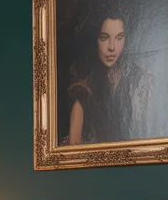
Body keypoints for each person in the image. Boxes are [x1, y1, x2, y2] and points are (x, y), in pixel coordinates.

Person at [66, 10, 154, 145]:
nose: (112, 47)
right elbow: (73, 149)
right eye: (104, 37)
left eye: (119, 37)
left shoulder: (142, 81)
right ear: (95, 40)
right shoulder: (83, 90)